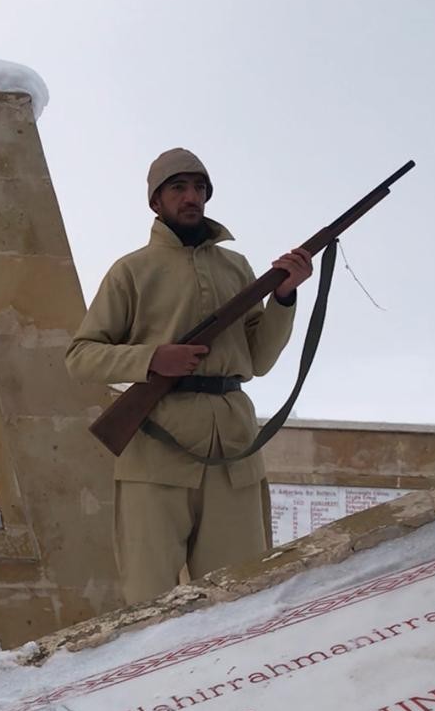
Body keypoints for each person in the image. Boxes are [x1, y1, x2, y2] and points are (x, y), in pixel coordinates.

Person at [66, 148, 314, 605]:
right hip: (158, 449)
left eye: (199, 188)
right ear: (155, 201)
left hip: (232, 448)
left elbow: (258, 359)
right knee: (149, 600)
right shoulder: (131, 271)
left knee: (241, 594)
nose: (191, 197)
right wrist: (151, 360)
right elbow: (81, 356)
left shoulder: (237, 268)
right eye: (178, 187)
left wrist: (282, 297)